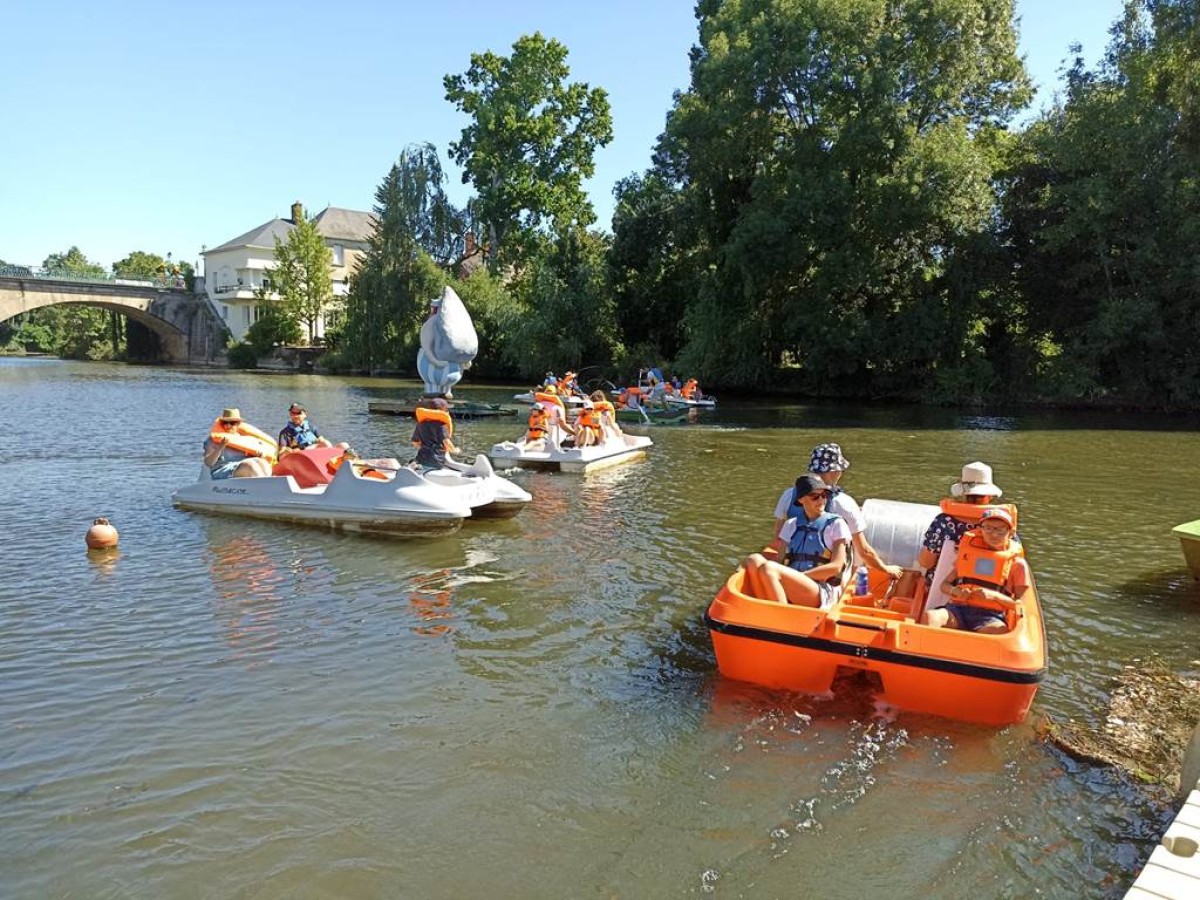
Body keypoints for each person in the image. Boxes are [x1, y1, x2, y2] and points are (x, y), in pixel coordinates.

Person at [773, 443, 904, 581]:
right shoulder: (844, 503)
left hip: (793, 569)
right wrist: (886, 569)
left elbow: (777, 540)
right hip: (827, 578)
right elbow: (864, 551)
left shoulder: (789, 495)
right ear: (834, 472)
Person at [743, 474, 852, 608]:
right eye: (815, 496)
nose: (821, 500)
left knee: (770, 568)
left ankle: (781, 618)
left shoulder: (836, 524)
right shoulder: (790, 525)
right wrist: (789, 578)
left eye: (824, 495)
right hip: (794, 584)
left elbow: (836, 567)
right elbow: (780, 561)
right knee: (753, 560)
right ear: (801, 499)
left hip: (820, 590)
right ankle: (766, 607)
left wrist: (800, 576)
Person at [923, 508, 1030, 633]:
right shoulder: (969, 555)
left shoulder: (1017, 564)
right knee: (931, 617)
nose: (994, 534)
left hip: (991, 616)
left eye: (1000, 530)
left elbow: (1021, 606)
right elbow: (944, 585)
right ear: (981, 530)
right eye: (988, 528)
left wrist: (994, 596)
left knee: (998, 630)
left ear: (1010, 533)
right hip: (958, 610)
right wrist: (955, 591)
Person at [917, 461, 1019, 579]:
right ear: (990, 496)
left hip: (945, 589)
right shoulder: (1004, 523)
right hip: (992, 589)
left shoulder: (944, 522)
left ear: (963, 494)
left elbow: (926, 562)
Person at [204, 408, 275, 479]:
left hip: (244, 466)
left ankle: (266, 484)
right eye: (225, 423)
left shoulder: (244, 439)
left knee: (263, 463)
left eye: (232, 423)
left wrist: (258, 456)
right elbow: (208, 463)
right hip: (223, 470)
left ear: (238, 424)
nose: (228, 426)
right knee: (249, 465)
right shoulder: (212, 440)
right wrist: (220, 447)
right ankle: (263, 486)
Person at [277, 403, 346, 456]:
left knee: (343, 445)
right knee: (325, 444)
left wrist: (317, 442)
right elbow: (281, 453)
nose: (295, 416)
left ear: (305, 414)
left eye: (298, 413)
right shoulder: (285, 433)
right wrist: (288, 451)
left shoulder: (312, 428)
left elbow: (323, 441)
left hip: (315, 455)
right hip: (300, 457)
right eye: (293, 413)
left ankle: (349, 466)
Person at [410, 398, 459, 470]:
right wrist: (455, 450)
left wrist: (425, 449)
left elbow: (415, 442)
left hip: (421, 459)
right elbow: (446, 442)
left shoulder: (421, 424)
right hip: (437, 461)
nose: (447, 411)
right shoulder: (442, 425)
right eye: (446, 409)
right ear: (442, 410)